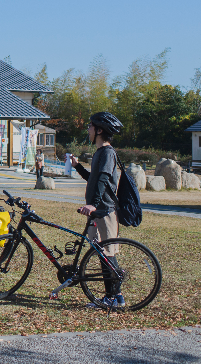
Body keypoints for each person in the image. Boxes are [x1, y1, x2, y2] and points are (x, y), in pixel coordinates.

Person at [70, 111, 124, 308]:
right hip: (97, 211)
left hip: (105, 211)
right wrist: (78, 167)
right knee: (100, 252)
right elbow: (94, 179)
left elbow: (102, 180)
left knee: (107, 254)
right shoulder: (101, 153)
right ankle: (114, 296)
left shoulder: (108, 153)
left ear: (99, 130)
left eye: (91, 126)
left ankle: (114, 297)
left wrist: (93, 204)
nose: (88, 129)